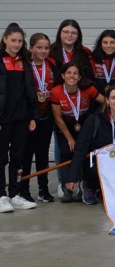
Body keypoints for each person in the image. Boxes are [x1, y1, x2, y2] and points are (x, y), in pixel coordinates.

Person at [66, 85, 115, 205]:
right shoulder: (95, 119)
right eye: (113, 97)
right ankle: (90, 186)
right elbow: (80, 149)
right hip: (98, 165)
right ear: (107, 100)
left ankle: (107, 189)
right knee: (93, 169)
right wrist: (72, 177)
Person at [49, 62, 103, 203]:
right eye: (68, 73)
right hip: (65, 128)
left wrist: (97, 119)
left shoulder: (88, 89)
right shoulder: (56, 91)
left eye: (75, 73)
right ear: (62, 75)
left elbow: (105, 102)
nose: (72, 76)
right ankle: (67, 187)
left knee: (83, 154)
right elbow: (58, 118)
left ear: (79, 77)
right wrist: (69, 138)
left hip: (84, 127)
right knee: (67, 153)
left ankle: (80, 186)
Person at [0, 24, 39, 212]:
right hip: (3, 119)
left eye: (20, 41)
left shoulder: (25, 61)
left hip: (22, 118)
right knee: (1, 158)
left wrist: (32, 115)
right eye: (13, 40)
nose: (16, 44)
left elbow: (30, 89)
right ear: (5, 39)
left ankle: (14, 194)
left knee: (18, 157)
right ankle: (1, 195)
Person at [23, 33, 57, 203]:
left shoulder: (51, 64)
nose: (43, 51)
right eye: (39, 47)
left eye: (46, 48)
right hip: (30, 118)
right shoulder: (25, 65)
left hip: (46, 116)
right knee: (27, 154)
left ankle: (43, 190)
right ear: (31, 48)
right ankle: (24, 190)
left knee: (43, 154)